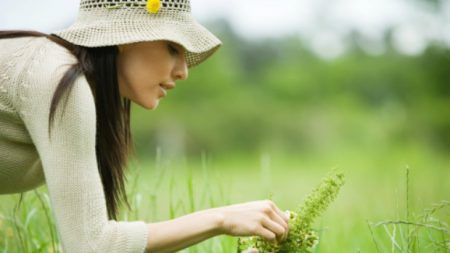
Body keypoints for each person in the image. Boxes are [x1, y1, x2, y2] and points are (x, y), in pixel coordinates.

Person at [0, 0, 289, 252]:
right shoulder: (60, 81)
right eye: (173, 48)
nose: (183, 71)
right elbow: (91, 247)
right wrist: (221, 219)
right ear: (126, 37)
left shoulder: (79, 88)